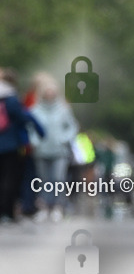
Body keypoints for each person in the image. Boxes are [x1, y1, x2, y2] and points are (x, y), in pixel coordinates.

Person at [29, 79, 78, 222]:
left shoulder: (63, 109)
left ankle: (57, 207)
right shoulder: (35, 110)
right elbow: (31, 128)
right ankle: (43, 207)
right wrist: (34, 140)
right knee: (43, 179)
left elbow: (72, 127)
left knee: (58, 178)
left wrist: (64, 138)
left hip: (59, 150)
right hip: (41, 150)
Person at [0, 69, 45, 223]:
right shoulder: (11, 98)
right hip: (10, 144)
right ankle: (7, 212)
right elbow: (22, 117)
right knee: (10, 178)